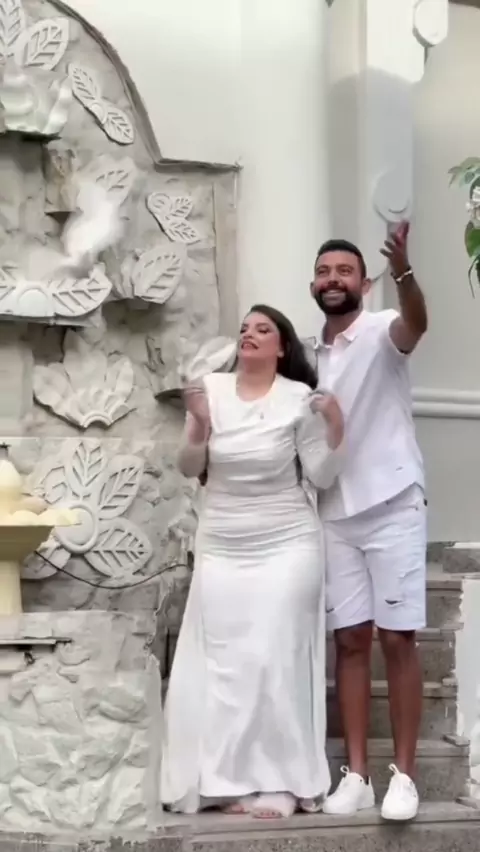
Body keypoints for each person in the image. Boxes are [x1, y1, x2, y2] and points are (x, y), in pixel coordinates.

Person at [161, 304, 344, 819]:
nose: (250, 334)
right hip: (223, 542)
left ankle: (283, 780)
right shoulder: (211, 391)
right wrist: (199, 424)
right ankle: (227, 780)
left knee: (274, 657)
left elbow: (322, 475)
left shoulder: (298, 399)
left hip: (287, 542)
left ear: (282, 347)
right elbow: (189, 466)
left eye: (263, 329)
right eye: (244, 328)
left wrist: (336, 427)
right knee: (227, 663)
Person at [311, 223, 428, 822]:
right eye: (324, 272)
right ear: (314, 284)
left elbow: (417, 324)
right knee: (350, 641)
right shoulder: (307, 354)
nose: (333, 279)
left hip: (392, 503)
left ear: (364, 282)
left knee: (397, 639)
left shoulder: (383, 329)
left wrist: (403, 268)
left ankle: (404, 778)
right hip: (335, 512)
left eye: (345, 271)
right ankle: (355, 775)